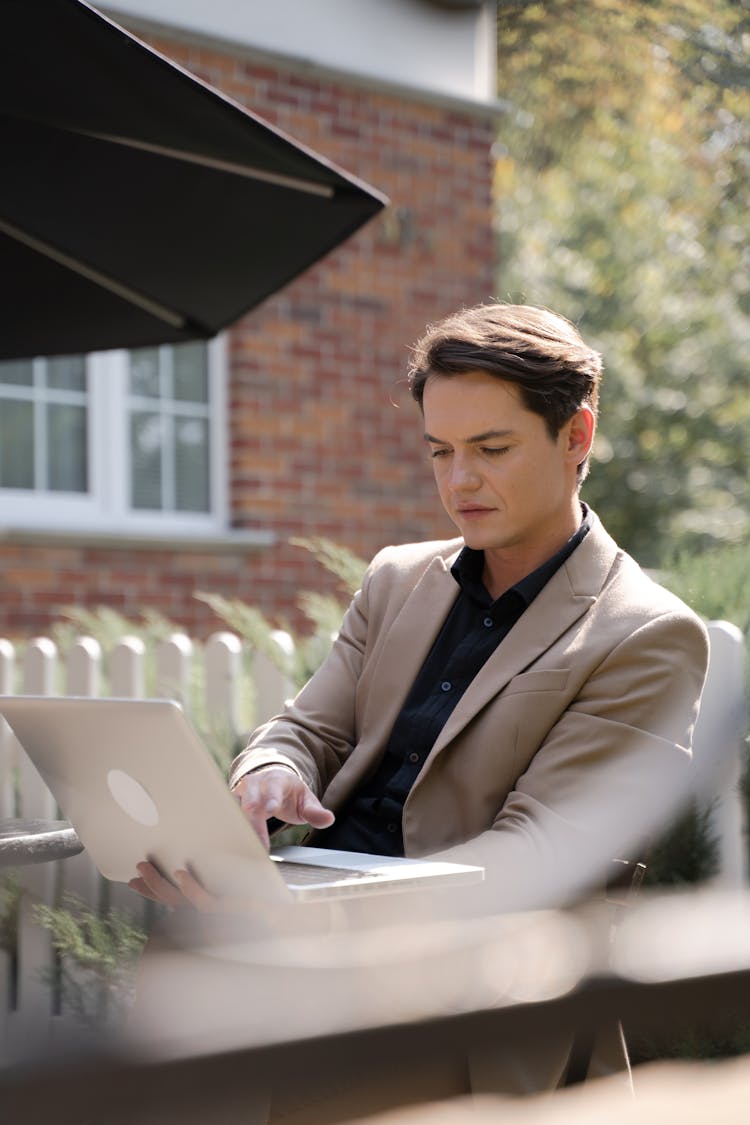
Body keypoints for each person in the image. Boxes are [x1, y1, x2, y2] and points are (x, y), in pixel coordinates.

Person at [131, 303, 709, 1104]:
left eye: (490, 449)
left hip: (471, 1021)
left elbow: (534, 862)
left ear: (576, 436)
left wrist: (299, 907)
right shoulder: (397, 578)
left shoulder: (647, 635)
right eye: (439, 450)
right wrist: (268, 771)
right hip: (305, 991)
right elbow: (306, 727)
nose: (458, 480)